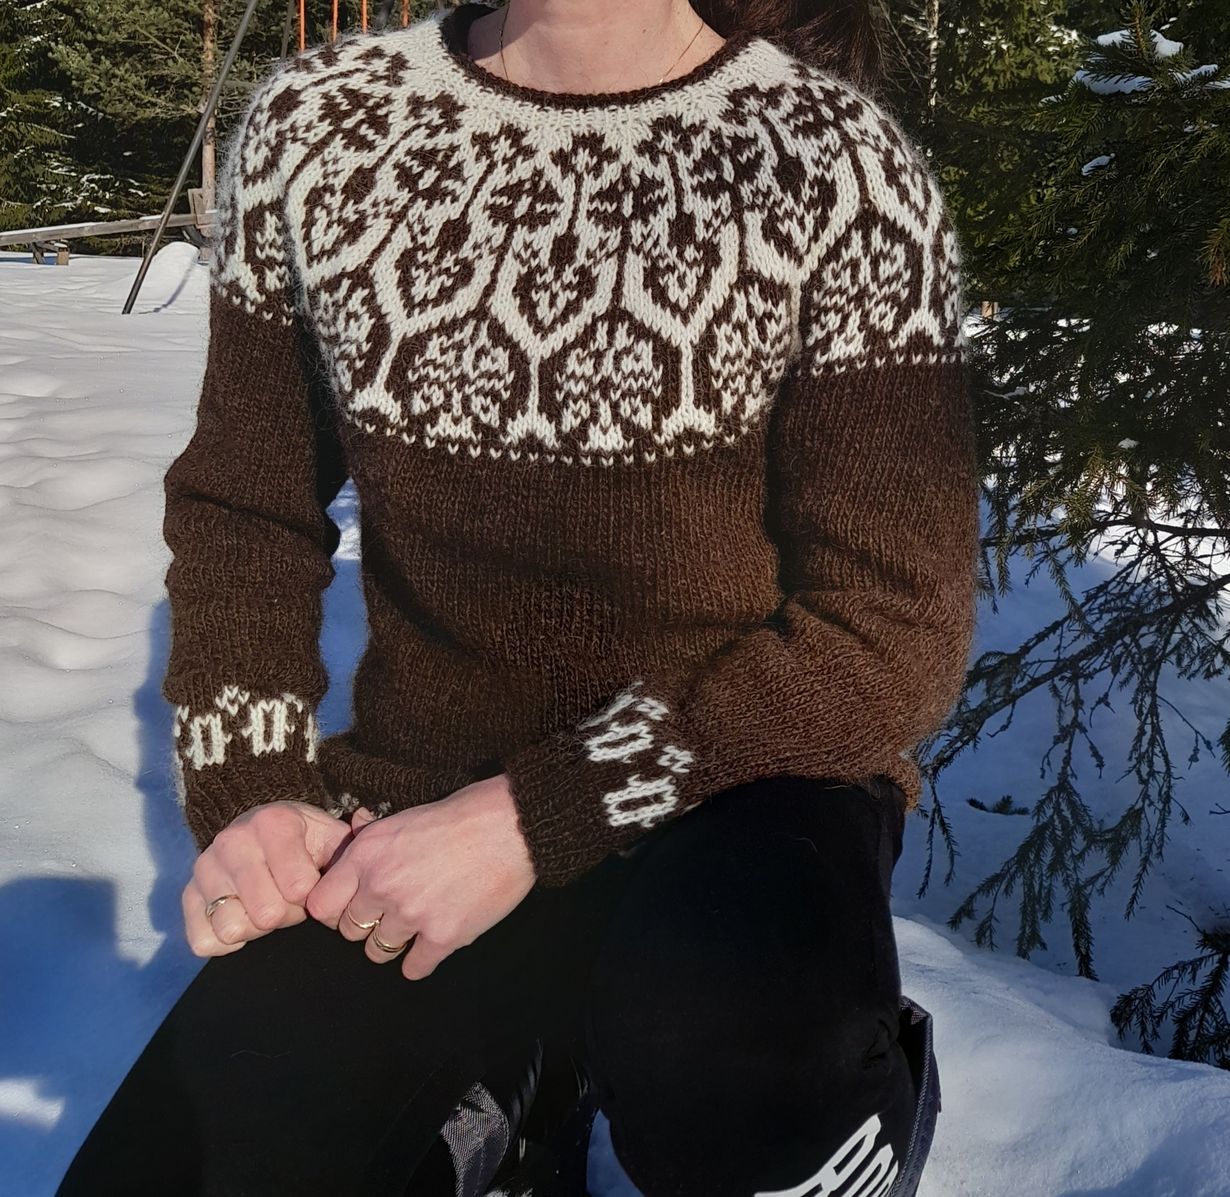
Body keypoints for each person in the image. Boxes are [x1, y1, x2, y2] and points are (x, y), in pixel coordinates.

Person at [56, 0, 979, 1193]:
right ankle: (519, 1093)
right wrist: (257, 790)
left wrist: (539, 818)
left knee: (729, 1061)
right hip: (417, 800)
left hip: (749, 778)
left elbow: (890, 629)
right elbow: (248, 505)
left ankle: (850, 1120)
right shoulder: (321, 126)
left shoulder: (834, 162)